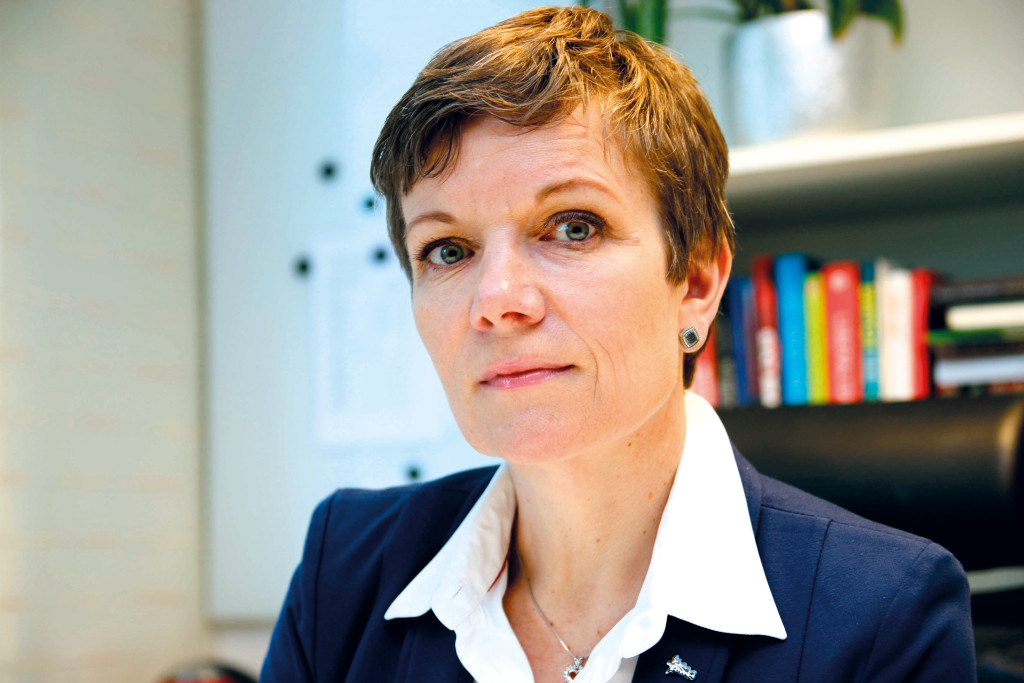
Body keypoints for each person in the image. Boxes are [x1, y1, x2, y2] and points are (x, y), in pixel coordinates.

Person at [261, 7, 975, 682]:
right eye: (448, 250)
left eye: (573, 227)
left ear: (696, 281)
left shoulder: (883, 613)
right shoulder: (344, 571)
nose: (497, 300)